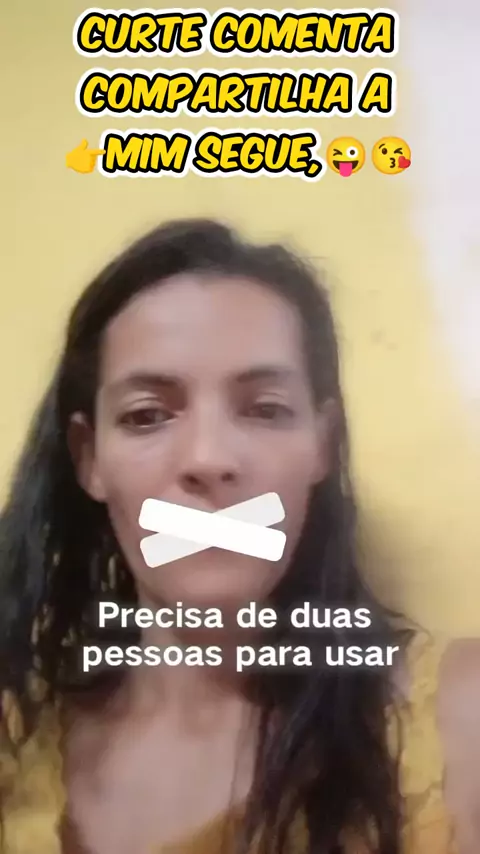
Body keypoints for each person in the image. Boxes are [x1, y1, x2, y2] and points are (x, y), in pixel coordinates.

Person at [0, 219, 477, 854]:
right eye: (148, 415)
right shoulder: (15, 743)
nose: (209, 458)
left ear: (322, 446)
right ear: (90, 459)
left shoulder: (461, 722)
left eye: (264, 409)